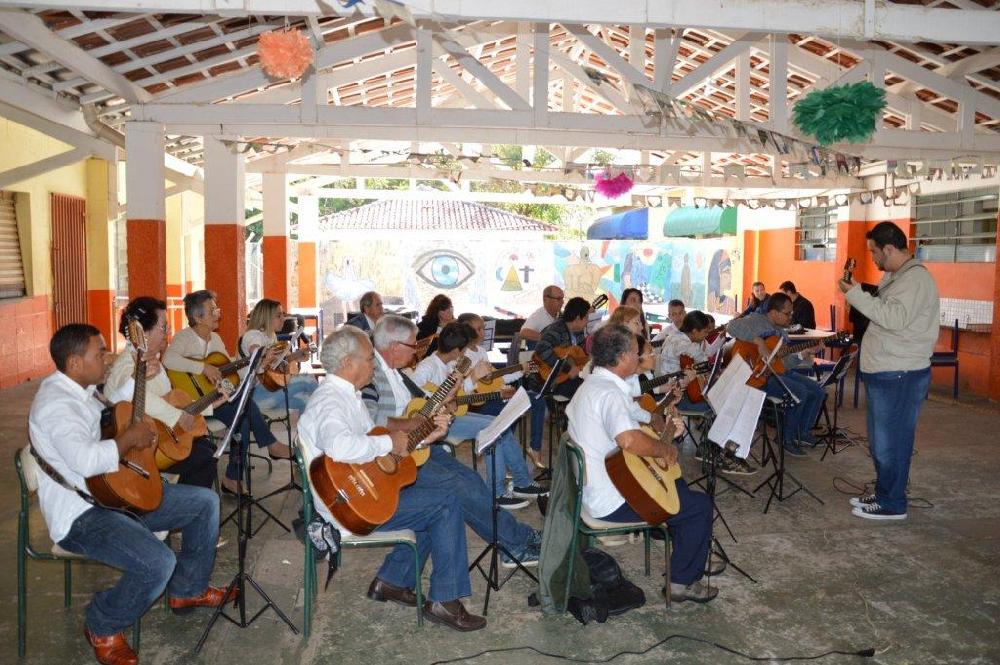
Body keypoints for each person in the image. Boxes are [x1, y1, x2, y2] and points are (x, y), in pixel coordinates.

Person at [30, 324, 233, 665]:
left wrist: (140, 378)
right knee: (158, 563)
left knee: (204, 503)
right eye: (100, 353)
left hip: (117, 493)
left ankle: (188, 590)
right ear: (75, 363)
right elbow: (86, 461)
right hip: (82, 515)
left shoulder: (81, 390)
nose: (108, 358)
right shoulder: (56, 405)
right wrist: (129, 439)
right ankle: (102, 622)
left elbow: (111, 411)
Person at [297, 326, 487, 631]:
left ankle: (393, 581)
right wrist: (389, 441)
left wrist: (425, 438)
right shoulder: (330, 401)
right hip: (346, 505)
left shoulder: (347, 395)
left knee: (432, 501)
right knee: (445, 504)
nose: (374, 365)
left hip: (358, 490)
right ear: (348, 363)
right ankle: (445, 600)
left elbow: (378, 447)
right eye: (369, 358)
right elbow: (341, 446)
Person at [364, 314, 543, 567]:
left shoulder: (397, 373)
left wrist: (445, 400)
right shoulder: (372, 375)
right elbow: (370, 422)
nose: (416, 351)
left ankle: (517, 537)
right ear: (394, 346)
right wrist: (415, 424)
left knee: (471, 479)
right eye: (412, 345)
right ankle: (516, 544)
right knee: (459, 487)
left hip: (418, 447)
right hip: (396, 458)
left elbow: (421, 404)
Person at [566, 325, 719, 602]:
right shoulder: (610, 394)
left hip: (597, 488)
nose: (639, 358)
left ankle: (690, 551)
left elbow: (633, 420)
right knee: (700, 506)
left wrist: (660, 428)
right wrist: (664, 448)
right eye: (637, 353)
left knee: (676, 483)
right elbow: (627, 440)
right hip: (613, 500)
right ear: (623, 357)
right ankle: (681, 582)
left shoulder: (593, 384)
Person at [839, 221, 939, 521]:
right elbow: (885, 310)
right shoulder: (898, 276)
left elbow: (893, 318)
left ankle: (893, 504)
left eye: (874, 252)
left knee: (891, 443)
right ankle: (885, 493)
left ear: (890, 249)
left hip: (900, 374)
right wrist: (860, 293)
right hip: (888, 371)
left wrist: (856, 295)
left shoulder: (915, 279)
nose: (872, 258)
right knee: (881, 442)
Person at [163, 290, 290, 496]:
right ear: (198, 317)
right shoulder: (184, 337)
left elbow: (227, 371)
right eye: (212, 310)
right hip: (193, 403)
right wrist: (202, 368)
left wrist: (256, 364)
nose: (218, 313)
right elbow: (168, 360)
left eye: (217, 309)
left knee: (243, 412)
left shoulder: (216, 339)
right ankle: (266, 449)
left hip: (214, 398)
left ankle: (233, 477)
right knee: (244, 411)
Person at [411, 322, 546, 508]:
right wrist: (472, 378)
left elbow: (458, 395)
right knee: (493, 429)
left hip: (453, 417)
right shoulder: (427, 367)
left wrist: (469, 383)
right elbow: (414, 398)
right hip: (436, 425)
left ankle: (522, 482)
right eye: (463, 350)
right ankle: (496, 493)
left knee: (500, 425)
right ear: (456, 350)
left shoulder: (450, 363)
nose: (465, 354)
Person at [105, 297, 222, 490]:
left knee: (207, 448)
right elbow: (137, 395)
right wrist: (177, 416)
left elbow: (171, 400)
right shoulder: (126, 365)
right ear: (142, 332)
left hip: (164, 434)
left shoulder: (153, 360)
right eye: (163, 327)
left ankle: (187, 500)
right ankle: (182, 502)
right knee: (204, 457)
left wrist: (211, 403)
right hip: (142, 447)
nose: (167, 332)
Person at [726, 293, 826, 457]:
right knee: (799, 392)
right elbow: (731, 326)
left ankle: (802, 432)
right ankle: (785, 439)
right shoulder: (756, 320)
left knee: (817, 391)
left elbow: (781, 364)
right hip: (757, 376)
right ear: (773, 313)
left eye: (791, 313)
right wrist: (759, 342)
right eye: (787, 313)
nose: (791, 316)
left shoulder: (782, 332)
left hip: (776, 372)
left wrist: (803, 354)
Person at [240, 299, 318, 413]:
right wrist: (264, 354)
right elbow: (256, 352)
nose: (283, 319)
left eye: (283, 315)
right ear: (266, 317)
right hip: (253, 395)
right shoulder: (253, 335)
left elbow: (274, 365)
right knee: (307, 379)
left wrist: (296, 356)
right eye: (279, 315)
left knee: (305, 400)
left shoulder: (271, 335)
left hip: (270, 390)